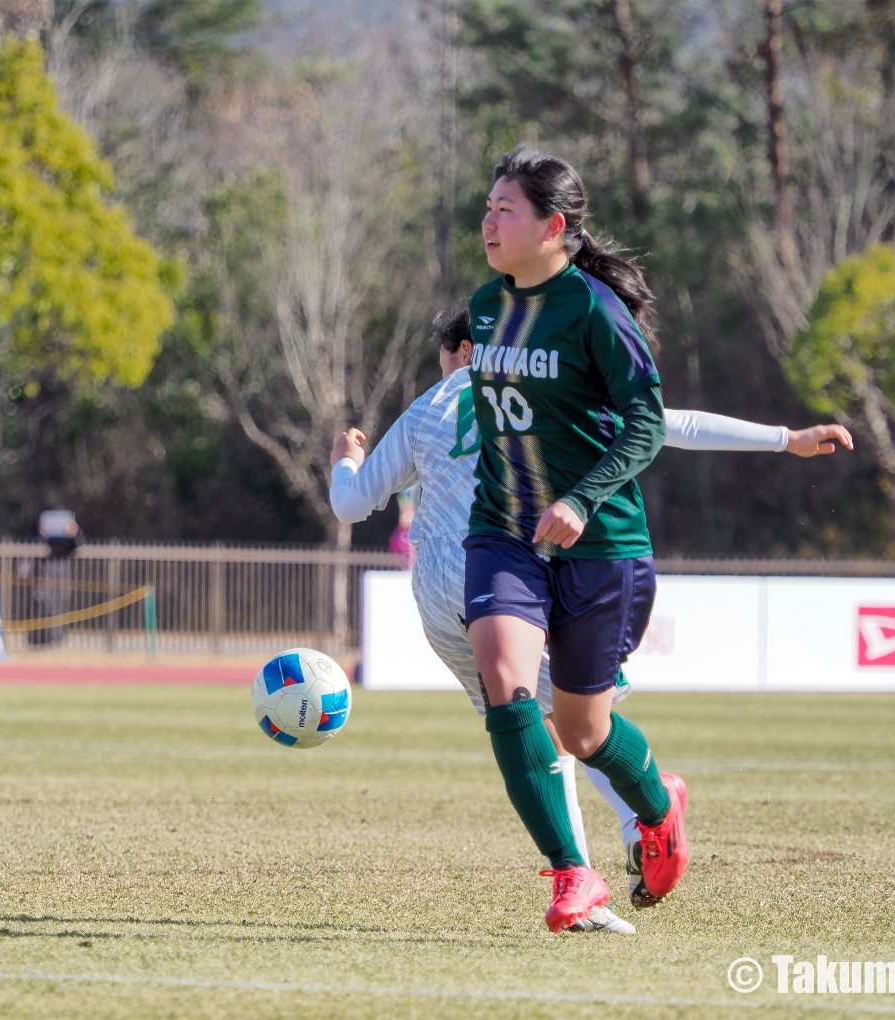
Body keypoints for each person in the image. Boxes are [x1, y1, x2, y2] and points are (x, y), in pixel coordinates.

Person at [330, 303, 850, 930]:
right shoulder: (546, 385)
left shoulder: (429, 409)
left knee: (555, 726)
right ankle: (603, 855)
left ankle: (612, 848)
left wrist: (345, 457)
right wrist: (783, 439)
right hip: (499, 577)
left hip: (452, 592)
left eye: (448, 359)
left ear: (468, 351)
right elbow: (668, 425)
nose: (448, 374)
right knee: (556, 727)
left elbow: (350, 504)